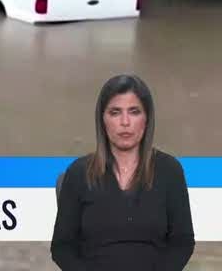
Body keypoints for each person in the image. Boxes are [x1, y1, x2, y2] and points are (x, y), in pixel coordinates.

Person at [51, 75, 195, 271]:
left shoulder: (170, 171)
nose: (125, 122)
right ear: (102, 119)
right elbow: (62, 247)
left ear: (147, 119)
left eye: (134, 112)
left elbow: (182, 242)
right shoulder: (78, 173)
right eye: (115, 112)